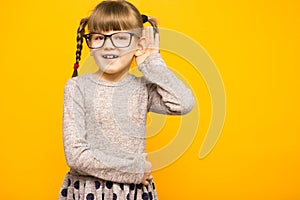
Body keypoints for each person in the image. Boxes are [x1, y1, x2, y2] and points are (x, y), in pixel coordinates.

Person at [59, 0, 195, 199]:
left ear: (138, 44)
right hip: (89, 191)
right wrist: (134, 170)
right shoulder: (77, 87)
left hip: (133, 193)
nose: (108, 45)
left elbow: (183, 103)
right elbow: (76, 156)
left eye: (121, 37)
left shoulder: (142, 89)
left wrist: (151, 61)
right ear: (89, 43)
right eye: (99, 37)